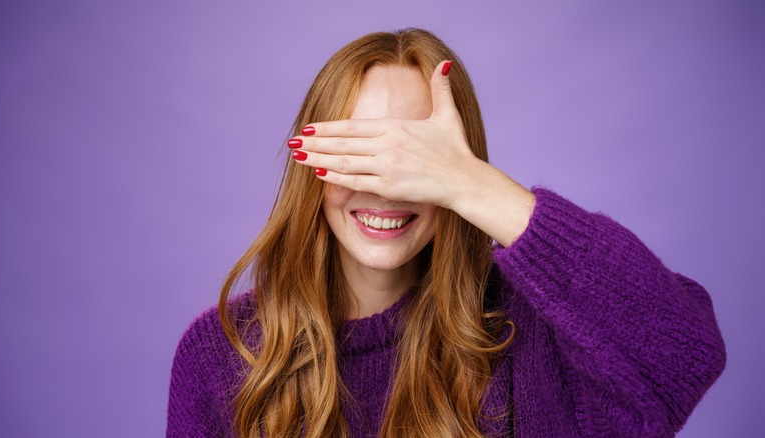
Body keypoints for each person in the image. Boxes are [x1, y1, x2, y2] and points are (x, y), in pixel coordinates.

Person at [167, 28, 726, 437]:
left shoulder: (529, 336)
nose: (386, 189)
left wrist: (470, 184)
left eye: (413, 160)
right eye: (360, 156)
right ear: (309, 163)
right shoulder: (222, 355)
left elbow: (686, 351)